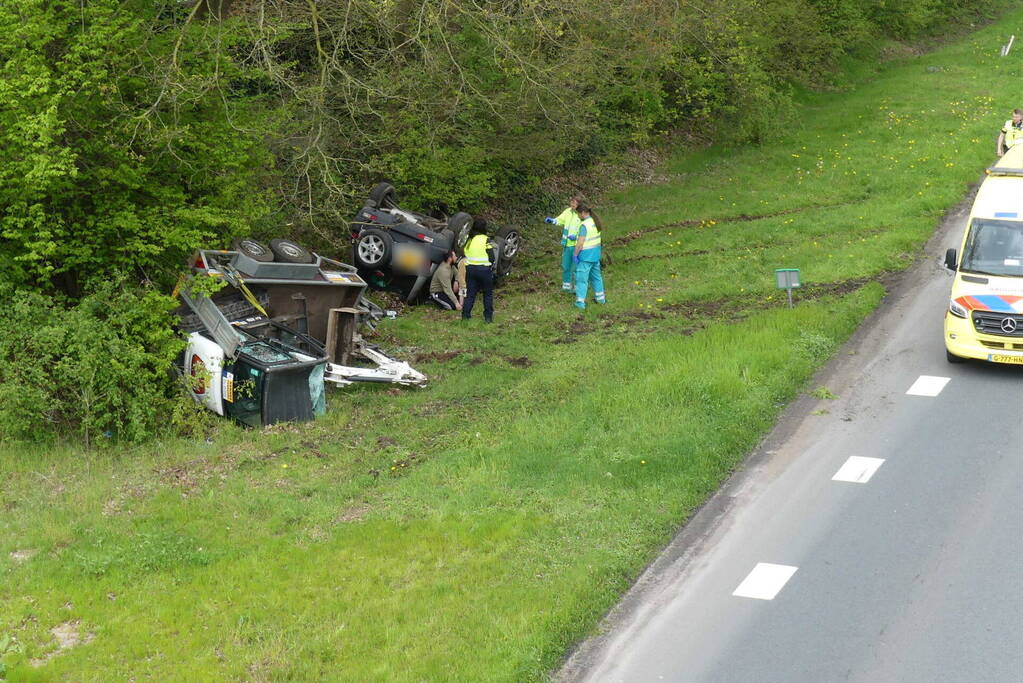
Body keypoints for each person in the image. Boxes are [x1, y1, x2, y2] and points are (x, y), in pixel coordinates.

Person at [545, 196, 583, 292]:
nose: (572, 205)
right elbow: (560, 220)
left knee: (575, 267)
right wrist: (552, 221)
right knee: (566, 266)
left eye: (574, 203)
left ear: (579, 204)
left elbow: (585, 230)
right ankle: (566, 287)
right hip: (567, 245)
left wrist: (576, 237)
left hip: (577, 246)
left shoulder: (581, 215)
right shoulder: (568, 211)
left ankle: (578, 288)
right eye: (571, 202)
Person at [461, 218, 495, 322]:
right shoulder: (486, 239)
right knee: (487, 294)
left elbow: (464, 253)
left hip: (470, 269)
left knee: (470, 294)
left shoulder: (469, 239)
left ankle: (465, 316)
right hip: (484, 269)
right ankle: (488, 317)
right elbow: (492, 257)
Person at [573, 204, 606, 310]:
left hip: (585, 256)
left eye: (578, 214)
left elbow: (580, 243)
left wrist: (575, 254)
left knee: (582, 279)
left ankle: (580, 302)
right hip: (595, 255)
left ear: (583, 213)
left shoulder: (584, 225)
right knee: (596, 277)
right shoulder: (594, 222)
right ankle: (601, 299)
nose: (578, 216)